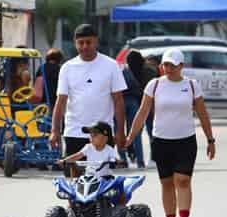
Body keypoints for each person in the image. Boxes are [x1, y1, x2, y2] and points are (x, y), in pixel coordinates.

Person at [125, 48, 216, 217]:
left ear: (181, 66)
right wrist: (131, 136)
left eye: (173, 65)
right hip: (161, 141)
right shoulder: (154, 85)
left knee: (183, 180)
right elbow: (142, 112)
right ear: (161, 66)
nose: (169, 68)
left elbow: (202, 113)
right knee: (166, 183)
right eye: (166, 65)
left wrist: (210, 139)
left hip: (185, 140)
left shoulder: (191, 85)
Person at [50, 24, 127, 163]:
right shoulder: (67, 68)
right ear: (75, 43)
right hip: (74, 132)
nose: (85, 46)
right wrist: (54, 130)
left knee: (101, 179)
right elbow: (60, 101)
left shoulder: (111, 65)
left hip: (103, 133)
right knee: (75, 180)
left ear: (96, 41)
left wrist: (120, 131)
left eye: (88, 42)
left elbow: (118, 100)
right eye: (81, 43)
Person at [57, 121, 126, 205]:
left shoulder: (109, 150)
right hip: (88, 178)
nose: (91, 137)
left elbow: (115, 159)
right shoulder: (88, 147)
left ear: (105, 137)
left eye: (95, 135)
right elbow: (77, 155)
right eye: (90, 135)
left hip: (105, 178)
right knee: (72, 187)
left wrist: (117, 162)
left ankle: (120, 206)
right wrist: (65, 160)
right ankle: (71, 207)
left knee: (118, 184)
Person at [120, 50, 156, 168]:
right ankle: (149, 159)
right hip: (147, 104)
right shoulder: (150, 71)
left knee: (128, 131)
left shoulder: (125, 71)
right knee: (148, 131)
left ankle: (126, 159)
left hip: (129, 101)